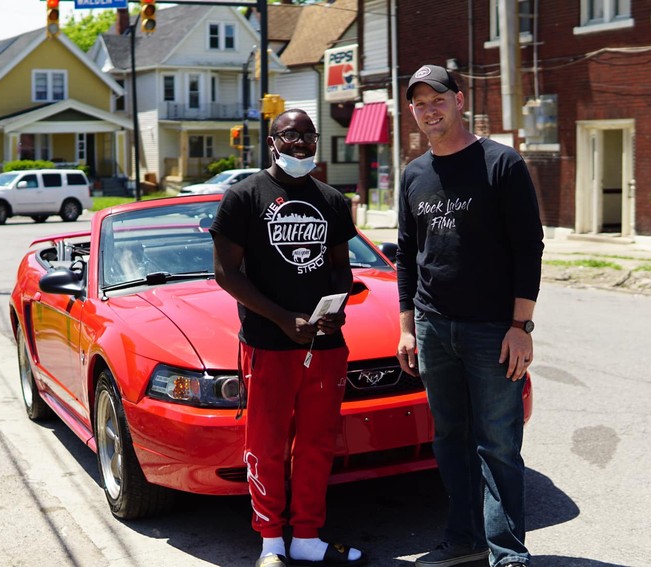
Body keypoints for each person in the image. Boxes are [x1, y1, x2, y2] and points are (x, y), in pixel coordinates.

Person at [395, 64, 544, 567]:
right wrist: (407, 328)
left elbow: (529, 247)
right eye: (418, 103)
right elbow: (408, 253)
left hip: (491, 330)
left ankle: (508, 553)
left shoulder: (501, 164)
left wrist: (520, 327)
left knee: (498, 444)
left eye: (436, 98)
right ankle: (464, 539)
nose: (428, 110)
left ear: (459, 100)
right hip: (434, 328)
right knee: (449, 441)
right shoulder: (414, 173)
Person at [210, 109, 367, 567]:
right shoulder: (243, 197)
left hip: (324, 345)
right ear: (272, 142)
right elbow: (226, 273)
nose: (301, 145)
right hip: (268, 342)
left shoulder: (332, 200)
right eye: (291, 136)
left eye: (308, 137)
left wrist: (334, 310)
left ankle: (307, 538)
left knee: (318, 442)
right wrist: (280, 318)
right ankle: (271, 542)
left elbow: (341, 266)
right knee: (266, 442)